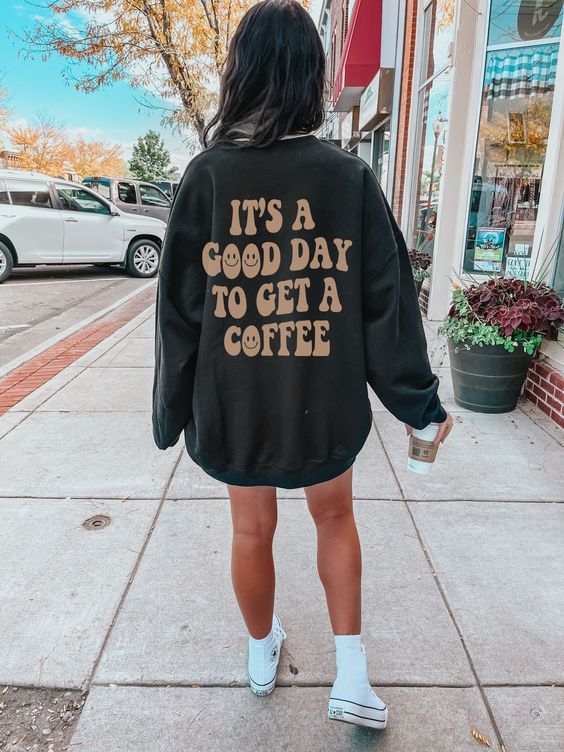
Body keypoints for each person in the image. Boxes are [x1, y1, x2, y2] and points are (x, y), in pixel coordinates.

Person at [152, 0, 453, 730]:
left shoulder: (208, 176)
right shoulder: (346, 178)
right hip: (324, 392)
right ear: (310, 76)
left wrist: (172, 410)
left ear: (241, 73)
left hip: (236, 400)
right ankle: (350, 672)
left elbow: (179, 311)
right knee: (335, 517)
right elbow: (387, 301)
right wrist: (419, 403)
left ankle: (262, 654)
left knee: (251, 531)